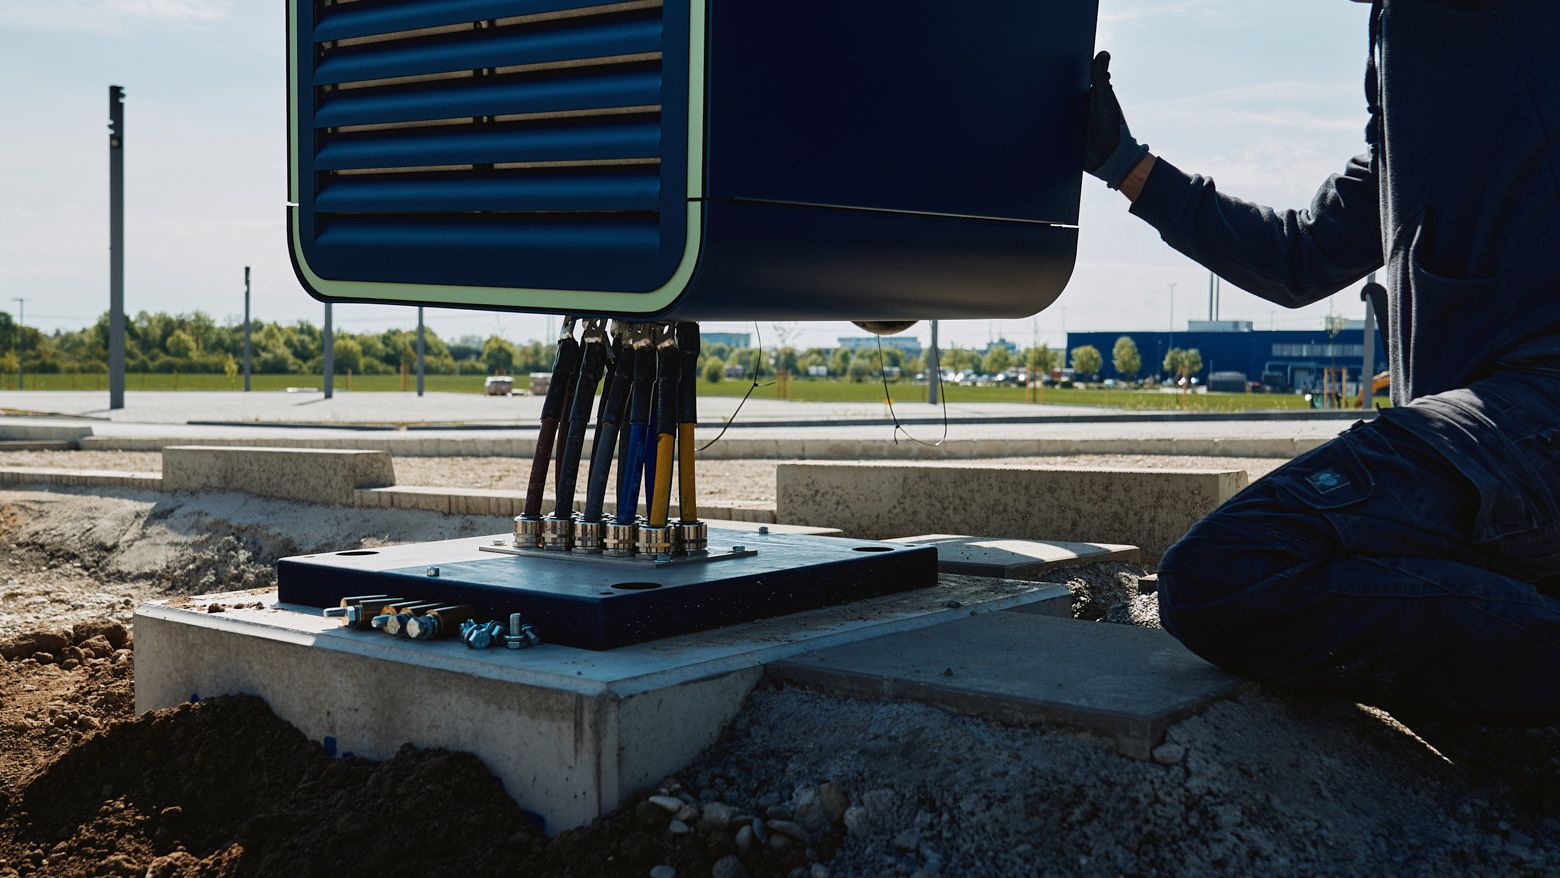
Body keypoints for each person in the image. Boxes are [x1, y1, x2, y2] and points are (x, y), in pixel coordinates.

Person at [1083, 0, 1559, 723]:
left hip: (1534, 418)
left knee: (1228, 570)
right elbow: (1301, 257)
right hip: (1495, 456)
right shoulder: (1406, 80)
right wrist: (1125, 164)